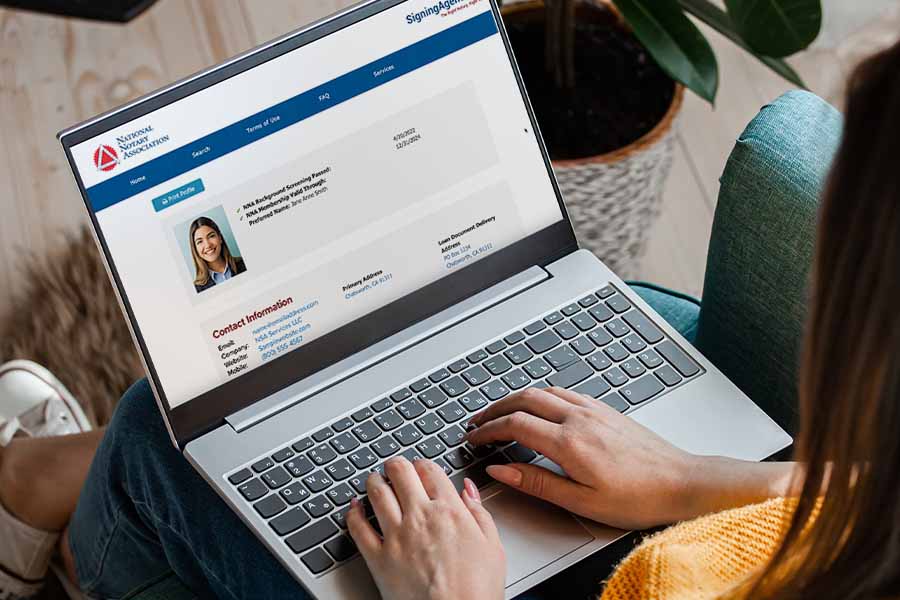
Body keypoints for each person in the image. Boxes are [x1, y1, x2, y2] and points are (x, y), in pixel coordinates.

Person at [0, 39, 898, 600]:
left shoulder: (668, 579)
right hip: (704, 523)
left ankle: (39, 520)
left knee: (161, 445)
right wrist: (691, 477)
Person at [190, 216, 246, 293]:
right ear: (195, 249)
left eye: (211, 236)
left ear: (220, 238)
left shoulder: (244, 263)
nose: (207, 245)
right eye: (200, 242)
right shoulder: (197, 289)